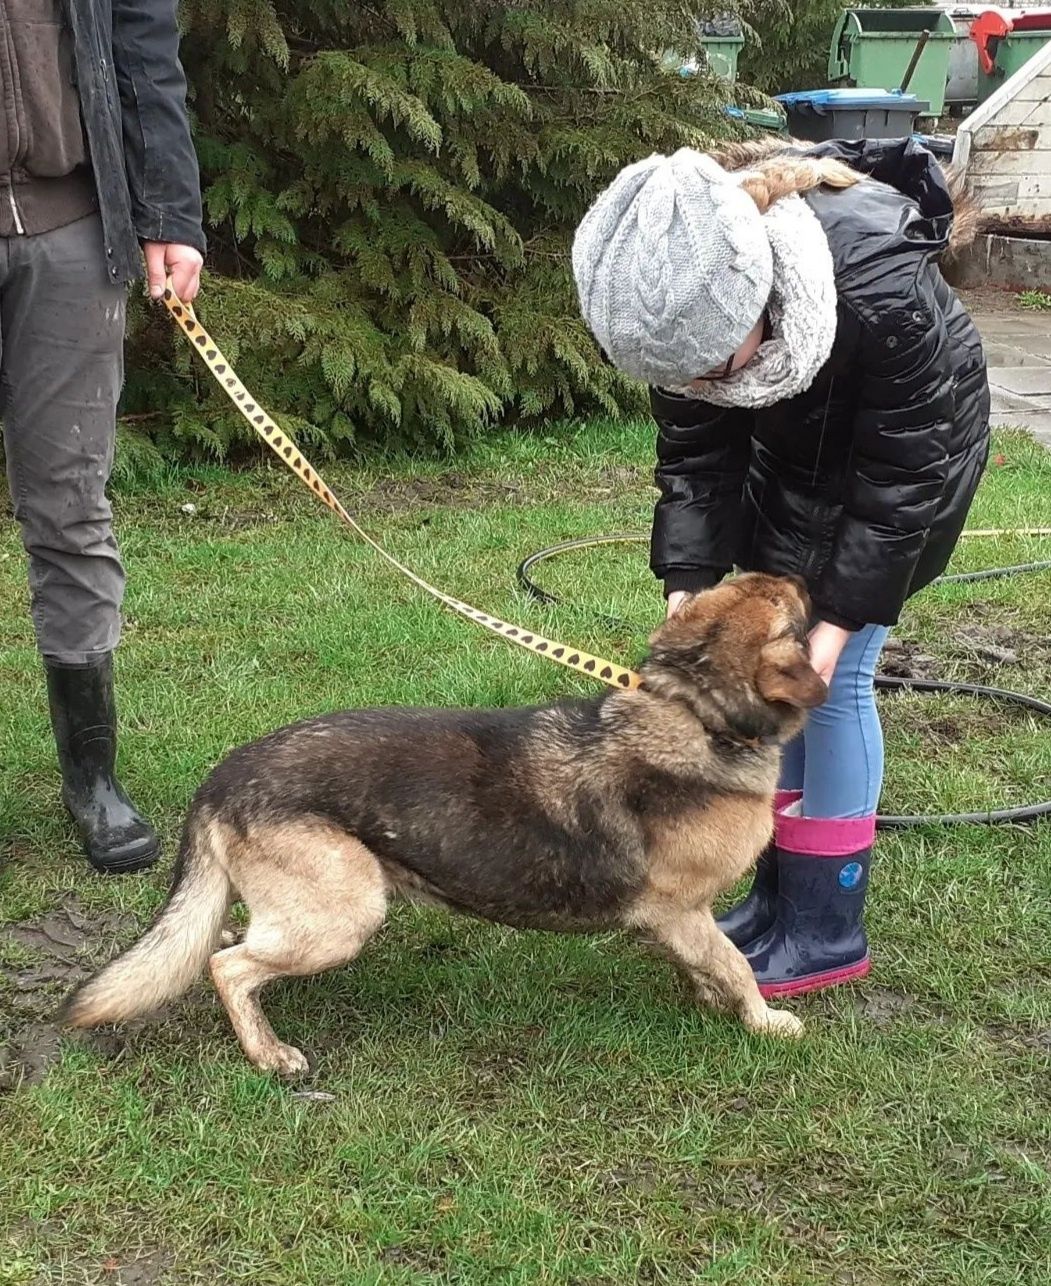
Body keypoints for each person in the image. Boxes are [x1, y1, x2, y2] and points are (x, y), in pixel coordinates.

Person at [571, 137, 990, 996]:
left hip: (912, 464)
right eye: (673, 378)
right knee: (771, 689)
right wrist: (688, 590)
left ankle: (825, 924)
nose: (688, 388)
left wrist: (836, 622)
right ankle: (774, 896)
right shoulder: (677, 304)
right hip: (791, 451)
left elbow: (901, 475)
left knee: (832, 683)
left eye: (704, 370)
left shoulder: (878, 290)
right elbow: (695, 455)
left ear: (755, 304)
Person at [2, 1, 205, 874]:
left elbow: (142, 48)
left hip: (68, 230)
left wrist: (171, 212)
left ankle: (93, 779)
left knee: (72, 512)